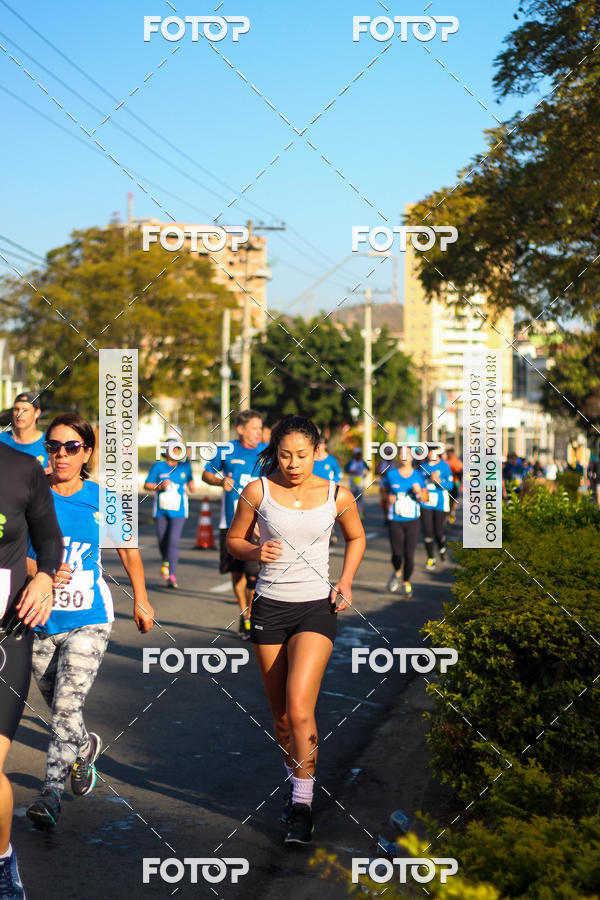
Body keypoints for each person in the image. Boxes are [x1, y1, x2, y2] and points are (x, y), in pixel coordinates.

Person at [226, 415, 365, 844]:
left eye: (301, 455)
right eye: (285, 455)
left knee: (301, 708)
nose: (293, 463)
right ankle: (295, 782)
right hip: (268, 607)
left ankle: (302, 806)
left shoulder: (336, 494)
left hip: (315, 610)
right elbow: (233, 540)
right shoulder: (258, 490)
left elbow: (356, 537)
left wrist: (345, 581)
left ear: (316, 452)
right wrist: (255, 549)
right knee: (282, 718)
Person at [26, 413, 154, 829]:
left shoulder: (105, 499)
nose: (61, 455)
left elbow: (129, 551)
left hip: (90, 617)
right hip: (40, 618)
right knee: (60, 710)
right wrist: (35, 569)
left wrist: (141, 600)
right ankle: (84, 746)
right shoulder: (28, 494)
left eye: (72, 447)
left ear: (87, 453)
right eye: (53, 447)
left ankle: (50, 795)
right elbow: (9, 550)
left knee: (66, 704)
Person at [0, 442, 63, 898]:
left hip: (5, 637)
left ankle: (2, 863)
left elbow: (49, 540)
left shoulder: (20, 468)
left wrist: (44, 576)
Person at [202, 410, 265, 639]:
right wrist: (221, 480)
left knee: (254, 575)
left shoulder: (265, 452)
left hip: (258, 524)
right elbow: (206, 474)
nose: (259, 432)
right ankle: (246, 615)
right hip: (229, 522)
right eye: (254, 428)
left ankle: (252, 614)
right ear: (241, 429)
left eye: (260, 428)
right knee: (236, 572)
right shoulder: (226, 450)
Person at [144, 440, 195, 589]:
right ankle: (165, 560)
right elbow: (147, 484)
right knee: (162, 540)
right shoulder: (158, 466)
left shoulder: (185, 466)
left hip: (179, 511)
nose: (176, 452)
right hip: (161, 510)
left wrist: (191, 486)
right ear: (166, 451)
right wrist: (160, 486)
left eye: (178, 449)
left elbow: (192, 486)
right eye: (173, 449)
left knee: (173, 540)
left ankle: (171, 576)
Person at [381, 449, 428, 596]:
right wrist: (388, 498)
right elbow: (383, 491)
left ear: (411, 457)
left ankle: (406, 582)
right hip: (395, 519)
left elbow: (426, 498)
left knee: (409, 555)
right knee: (397, 553)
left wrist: (419, 492)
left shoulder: (418, 475)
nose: (404, 457)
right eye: (401, 454)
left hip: (413, 520)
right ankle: (397, 572)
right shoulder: (391, 474)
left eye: (407, 454)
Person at [419, 446, 453, 571]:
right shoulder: (422, 466)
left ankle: (441, 548)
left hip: (439, 503)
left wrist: (438, 482)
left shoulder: (444, 466)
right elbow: (418, 482)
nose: (430, 454)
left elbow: (450, 485)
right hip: (425, 503)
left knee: (438, 531)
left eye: (433, 451)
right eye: (428, 452)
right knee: (427, 531)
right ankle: (431, 558)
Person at [0, 390, 48, 469]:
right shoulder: (2, 440)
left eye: (25, 410)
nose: (19, 414)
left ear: (37, 413)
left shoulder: (48, 444)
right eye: (16, 409)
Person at [344, 447, 369, 518]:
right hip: (353, 482)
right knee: (353, 497)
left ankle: (360, 512)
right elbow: (346, 469)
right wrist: (352, 472)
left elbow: (368, 469)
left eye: (359, 454)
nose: (358, 456)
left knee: (359, 497)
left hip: (361, 482)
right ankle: (354, 512)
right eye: (357, 454)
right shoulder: (351, 462)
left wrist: (364, 473)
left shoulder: (362, 462)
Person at [444, 447, 463, 524]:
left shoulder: (457, 461)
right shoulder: (445, 462)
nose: (450, 454)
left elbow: (462, 471)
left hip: (455, 482)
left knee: (454, 499)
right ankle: (447, 514)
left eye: (451, 453)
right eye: (448, 453)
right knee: (448, 498)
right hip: (447, 483)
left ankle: (452, 511)